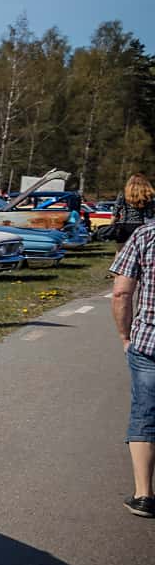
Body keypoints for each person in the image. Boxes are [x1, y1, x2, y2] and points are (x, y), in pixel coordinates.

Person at [111, 218, 155, 519]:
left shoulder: (146, 234)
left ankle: (144, 495)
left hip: (150, 342)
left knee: (145, 412)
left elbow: (122, 292)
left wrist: (125, 336)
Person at [113, 174, 153, 244]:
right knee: (139, 250)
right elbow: (149, 215)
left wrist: (111, 226)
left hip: (124, 226)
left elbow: (115, 213)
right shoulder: (147, 196)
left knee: (120, 251)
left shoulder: (123, 194)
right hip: (140, 226)